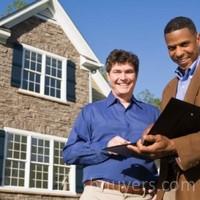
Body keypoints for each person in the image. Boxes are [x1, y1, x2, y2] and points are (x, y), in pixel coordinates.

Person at [63, 49, 160, 200]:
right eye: (117, 71)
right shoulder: (91, 111)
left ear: (136, 75)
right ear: (108, 75)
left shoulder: (153, 113)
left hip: (144, 195)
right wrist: (105, 148)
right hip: (100, 194)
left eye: (129, 71)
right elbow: (70, 153)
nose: (123, 77)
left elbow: (168, 153)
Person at [128, 16, 200, 200]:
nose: (178, 52)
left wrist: (175, 145)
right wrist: (153, 136)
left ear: (198, 39)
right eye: (171, 48)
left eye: (184, 44)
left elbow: (176, 142)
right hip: (171, 184)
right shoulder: (169, 87)